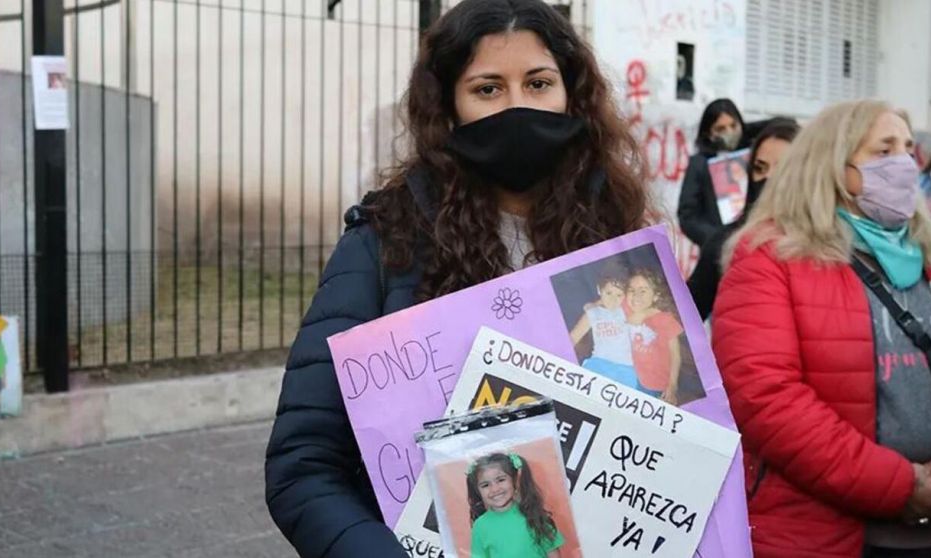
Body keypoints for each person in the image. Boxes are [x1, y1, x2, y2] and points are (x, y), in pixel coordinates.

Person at [263, 1, 652, 556]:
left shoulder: (620, 243)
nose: (518, 106)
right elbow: (302, 467)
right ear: (449, 106)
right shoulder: (384, 241)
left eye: (539, 83)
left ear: (573, 96)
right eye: (488, 89)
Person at [712, 99, 931, 558]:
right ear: (834, 164)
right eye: (883, 150)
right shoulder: (770, 257)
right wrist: (897, 485)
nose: (902, 162)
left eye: (907, 148)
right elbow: (765, 395)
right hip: (820, 535)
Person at [686, 117, 800, 318]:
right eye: (760, 168)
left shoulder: (831, 242)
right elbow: (682, 321)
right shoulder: (725, 243)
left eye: (783, 169)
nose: (768, 179)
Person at [677, 98, 748, 247]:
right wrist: (715, 239)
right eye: (720, 129)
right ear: (709, 133)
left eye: (733, 125)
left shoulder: (755, 158)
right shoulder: (700, 163)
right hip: (717, 251)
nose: (729, 132)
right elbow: (687, 216)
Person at [467, 453, 564, 558]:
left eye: (501, 480)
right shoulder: (480, 526)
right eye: (485, 485)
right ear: (478, 490)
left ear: (514, 480)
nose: (495, 489)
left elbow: (553, 554)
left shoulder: (533, 514)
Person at [569, 263, 635, 385]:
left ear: (625, 296)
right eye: (608, 293)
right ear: (600, 290)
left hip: (626, 368)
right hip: (599, 364)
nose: (613, 299)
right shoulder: (593, 313)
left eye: (619, 295)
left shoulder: (627, 311)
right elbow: (572, 338)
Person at [625, 268, 683, 402]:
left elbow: (675, 355)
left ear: (655, 296)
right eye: (631, 290)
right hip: (628, 379)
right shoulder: (625, 310)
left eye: (643, 291)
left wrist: (672, 385)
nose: (636, 295)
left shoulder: (666, 319)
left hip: (655, 384)